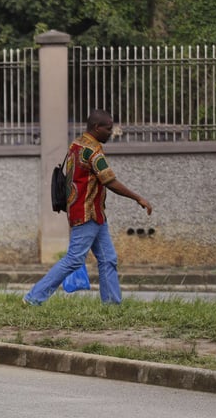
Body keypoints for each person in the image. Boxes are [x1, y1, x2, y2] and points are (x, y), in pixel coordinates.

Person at [24, 110, 153, 306]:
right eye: (108, 129)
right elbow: (110, 181)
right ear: (96, 128)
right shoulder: (93, 151)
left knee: (108, 258)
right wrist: (138, 198)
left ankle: (111, 305)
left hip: (93, 213)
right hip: (87, 214)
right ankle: (33, 298)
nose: (111, 132)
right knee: (74, 260)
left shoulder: (76, 144)